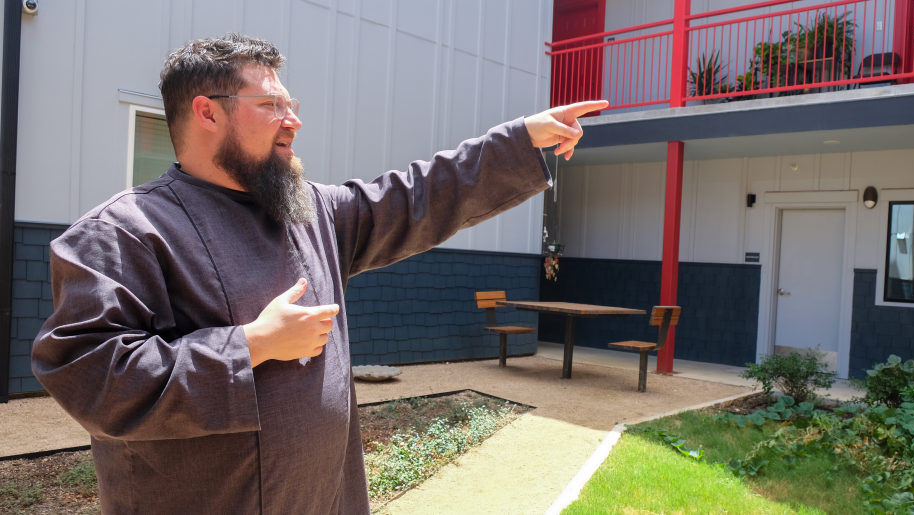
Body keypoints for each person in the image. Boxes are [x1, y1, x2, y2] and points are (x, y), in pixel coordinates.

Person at [30, 33, 605, 514]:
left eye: (292, 106)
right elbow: (91, 375)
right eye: (271, 107)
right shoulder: (122, 232)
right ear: (206, 111)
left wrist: (520, 139)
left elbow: (415, 196)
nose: (293, 122)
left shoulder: (310, 211)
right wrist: (249, 345)